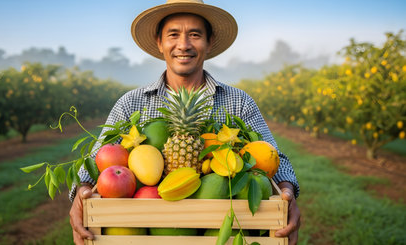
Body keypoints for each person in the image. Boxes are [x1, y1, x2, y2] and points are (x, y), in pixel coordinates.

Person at [69, 0, 301, 244]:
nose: (184, 45)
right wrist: (81, 192)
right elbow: (98, 160)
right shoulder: (131, 103)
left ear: (209, 42)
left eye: (194, 34)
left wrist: (287, 193)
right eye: (173, 34)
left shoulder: (238, 102)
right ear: (159, 42)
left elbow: (276, 157)